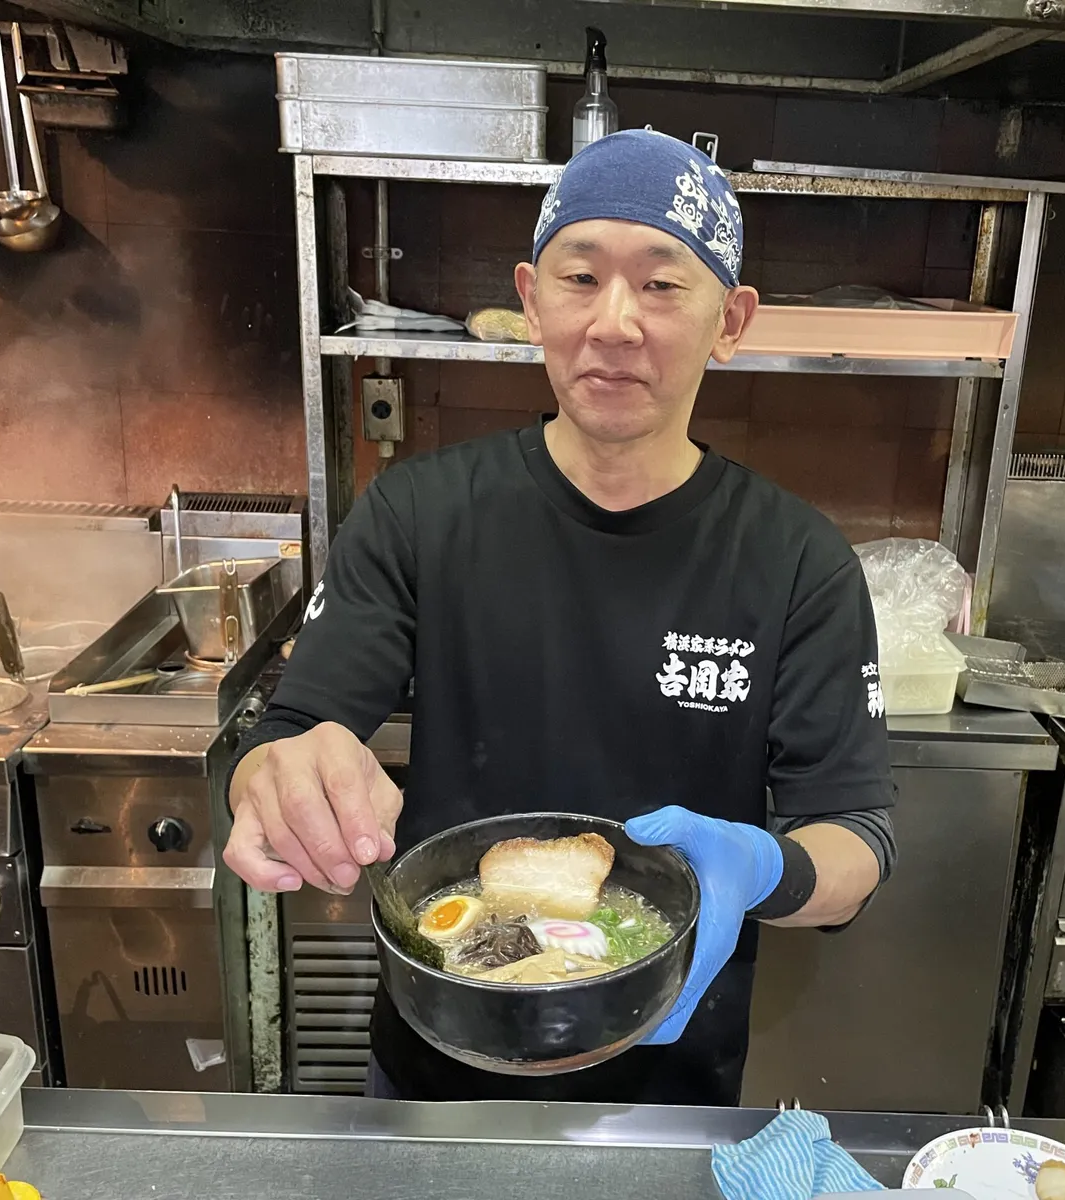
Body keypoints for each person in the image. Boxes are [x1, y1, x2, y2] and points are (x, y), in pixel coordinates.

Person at [224, 129, 897, 1106]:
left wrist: (766, 869)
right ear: (530, 300)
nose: (614, 322)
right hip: (440, 1061)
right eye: (580, 277)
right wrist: (277, 777)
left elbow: (857, 846)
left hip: (671, 1077)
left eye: (663, 285)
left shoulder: (797, 561)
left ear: (732, 319)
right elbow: (290, 733)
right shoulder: (417, 514)